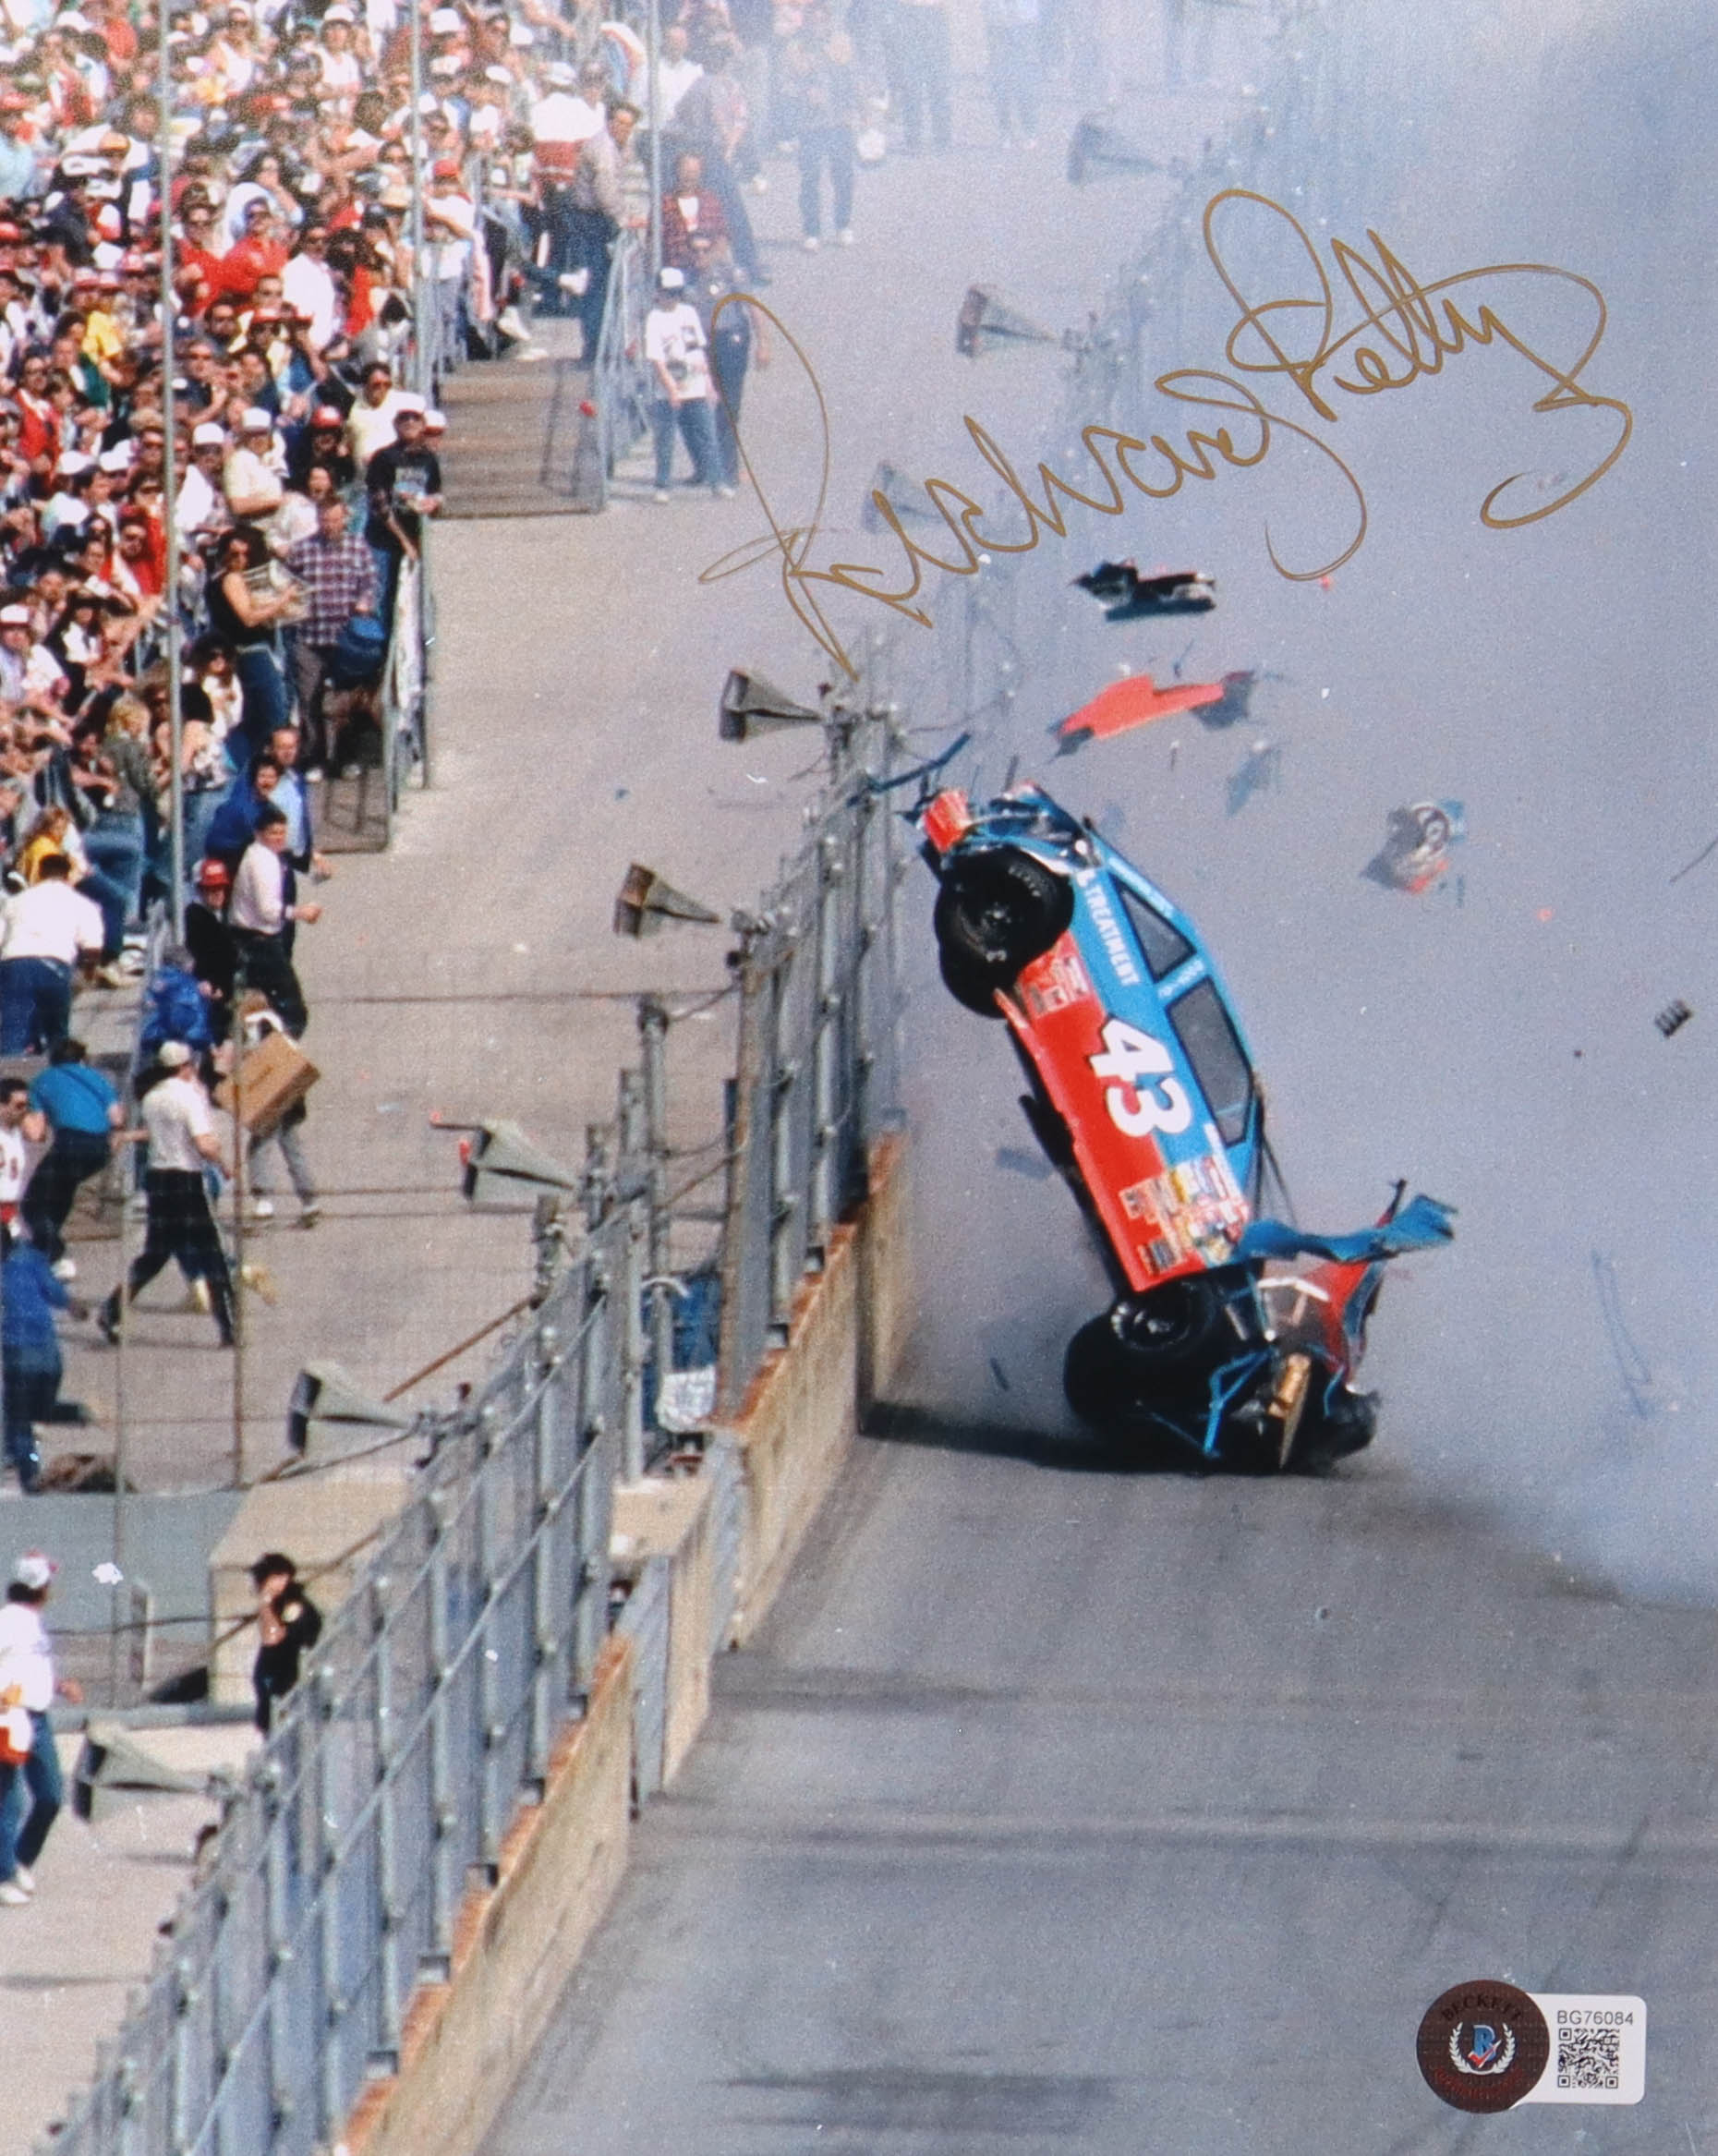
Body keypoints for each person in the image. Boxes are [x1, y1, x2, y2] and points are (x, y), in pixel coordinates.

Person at [94, 1041, 236, 1348]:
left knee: (156, 1253)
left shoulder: (152, 1098)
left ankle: (112, 1307)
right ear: (186, 1067)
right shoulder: (189, 1096)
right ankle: (229, 1325)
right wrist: (224, 1165)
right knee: (210, 1253)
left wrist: (130, 1136)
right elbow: (203, 1144)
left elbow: (158, 1133)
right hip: (186, 1180)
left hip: (158, 1181)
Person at [0, 1551, 81, 1902]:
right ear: (38, 1587)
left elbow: (31, 1667)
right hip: (9, 1716)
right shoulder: (8, 1621)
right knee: (9, 1799)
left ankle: (19, 1860)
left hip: (38, 1717)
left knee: (50, 1796)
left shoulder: (34, 1623)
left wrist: (59, 1686)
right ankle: (3, 1876)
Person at [284, 493, 377, 775]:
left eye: (335, 520)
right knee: (309, 699)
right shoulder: (303, 549)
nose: (330, 526)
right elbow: (286, 581)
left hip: (345, 639)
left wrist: (364, 602)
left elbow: (370, 582)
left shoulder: (358, 547)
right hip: (310, 636)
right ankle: (315, 759)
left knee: (347, 700)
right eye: (325, 520)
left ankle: (346, 758)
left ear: (344, 519)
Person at [23, 1037, 122, 1276]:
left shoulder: (42, 1080)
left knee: (32, 1204)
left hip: (69, 1143)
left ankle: (55, 1252)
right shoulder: (97, 1078)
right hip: (100, 1147)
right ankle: (45, 1254)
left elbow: (37, 1133)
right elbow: (117, 1118)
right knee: (61, 1193)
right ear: (81, 1058)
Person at [1, 1233, 83, 1493]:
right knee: (37, 1411)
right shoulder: (31, 1259)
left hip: (20, 1359)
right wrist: (74, 1306)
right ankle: (77, 1413)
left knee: (19, 1420)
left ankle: (31, 1478)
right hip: (51, 1358)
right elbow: (56, 1293)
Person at [228, 805, 320, 1037]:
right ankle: (281, 1052)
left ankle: (263, 1044)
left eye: (282, 832)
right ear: (259, 834)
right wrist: (301, 913)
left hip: (249, 940)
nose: (279, 838)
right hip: (260, 944)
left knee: (263, 1003)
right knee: (293, 1011)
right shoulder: (263, 862)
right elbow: (268, 911)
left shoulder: (259, 855)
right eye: (273, 833)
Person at [0, 855, 104, 1055]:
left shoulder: (15, 901)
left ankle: (8, 1070)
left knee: (13, 1031)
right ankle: (57, 1067)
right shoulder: (81, 903)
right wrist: (88, 975)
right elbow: (92, 947)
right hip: (54, 966)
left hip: (14, 964)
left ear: (40, 873)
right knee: (57, 1032)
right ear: (67, 875)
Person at [645, 267, 726, 503]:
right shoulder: (655, 318)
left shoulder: (688, 313)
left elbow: (697, 349)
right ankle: (662, 485)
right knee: (665, 440)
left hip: (694, 385)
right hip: (667, 390)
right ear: (659, 293)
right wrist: (671, 389)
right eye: (668, 293)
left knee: (707, 435)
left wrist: (709, 384)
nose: (672, 298)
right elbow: (656, 359)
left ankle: (717, 482)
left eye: (676, 293)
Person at [780, 4, 859, 248]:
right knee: (810, 177)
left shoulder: (842, 41)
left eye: (822, 20)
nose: (818, 25)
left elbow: (854, 77)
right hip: (810, 124)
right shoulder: (795, 47)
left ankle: (843, 225)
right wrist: (804, 93)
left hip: (840, 120)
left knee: (843, 175)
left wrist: (861, 111)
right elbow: (784, 85)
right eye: (813, 20)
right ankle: (811, 230)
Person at [248, 1551, 321, 1733]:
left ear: (281, 1578)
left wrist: (264, 1604)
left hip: (287, 1675)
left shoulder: (293, 1604)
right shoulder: (280, 1603)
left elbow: (273, 1637)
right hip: (278, 1676)